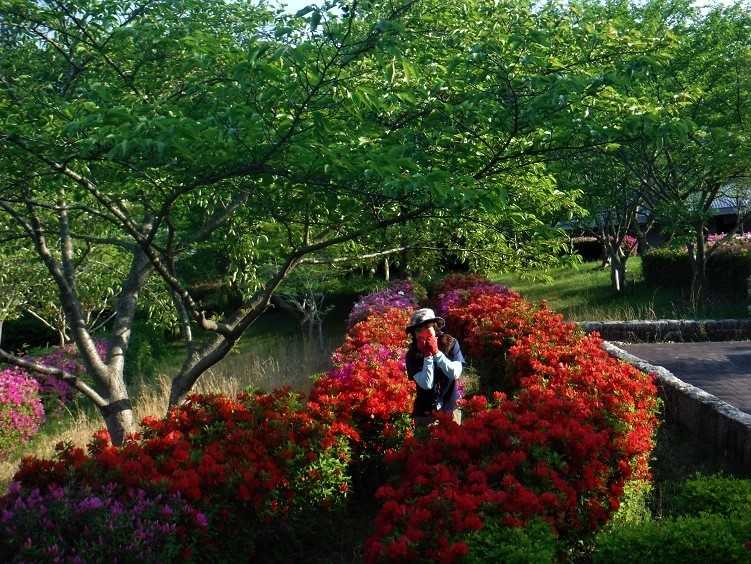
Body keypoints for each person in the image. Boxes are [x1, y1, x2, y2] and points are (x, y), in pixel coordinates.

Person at [405, 308, 464, 425]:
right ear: (414, 334)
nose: (423, 333)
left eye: (427, 327)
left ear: (435, 327)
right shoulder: (412, 354)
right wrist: (427, 356)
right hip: (424, 413)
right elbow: (426, 384)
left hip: (450, 410)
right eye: (419, 330)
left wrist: (436, 353)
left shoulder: (451, 343)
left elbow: (455, 373)